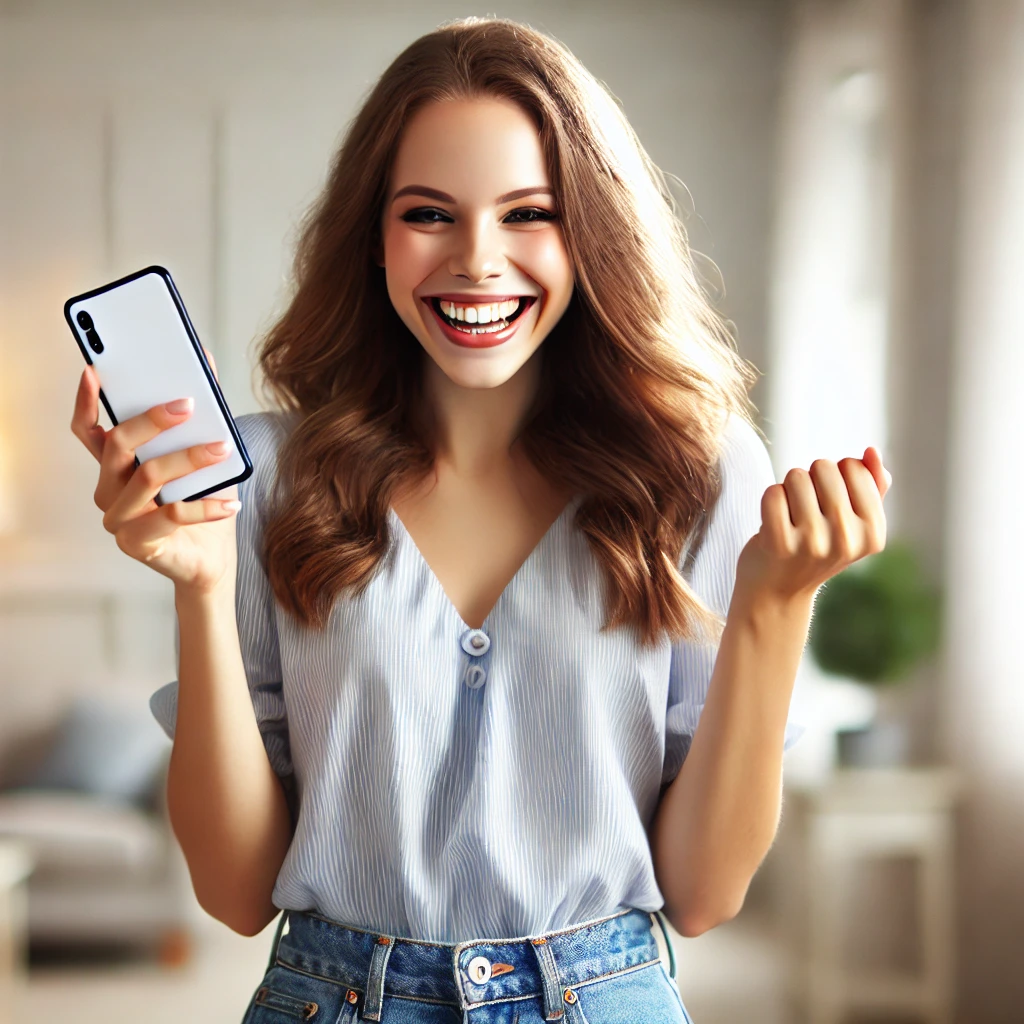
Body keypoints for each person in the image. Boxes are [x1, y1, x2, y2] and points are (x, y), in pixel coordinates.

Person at [70, 16, 891, 1024]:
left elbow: (706, 894)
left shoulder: (699, 473)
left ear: (592, 232)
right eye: (428, 213)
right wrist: (199, 586)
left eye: (529, 213)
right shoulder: (264, 479)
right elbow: (236, 894)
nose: (476, 259)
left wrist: (774, 602)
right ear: (373, 236)